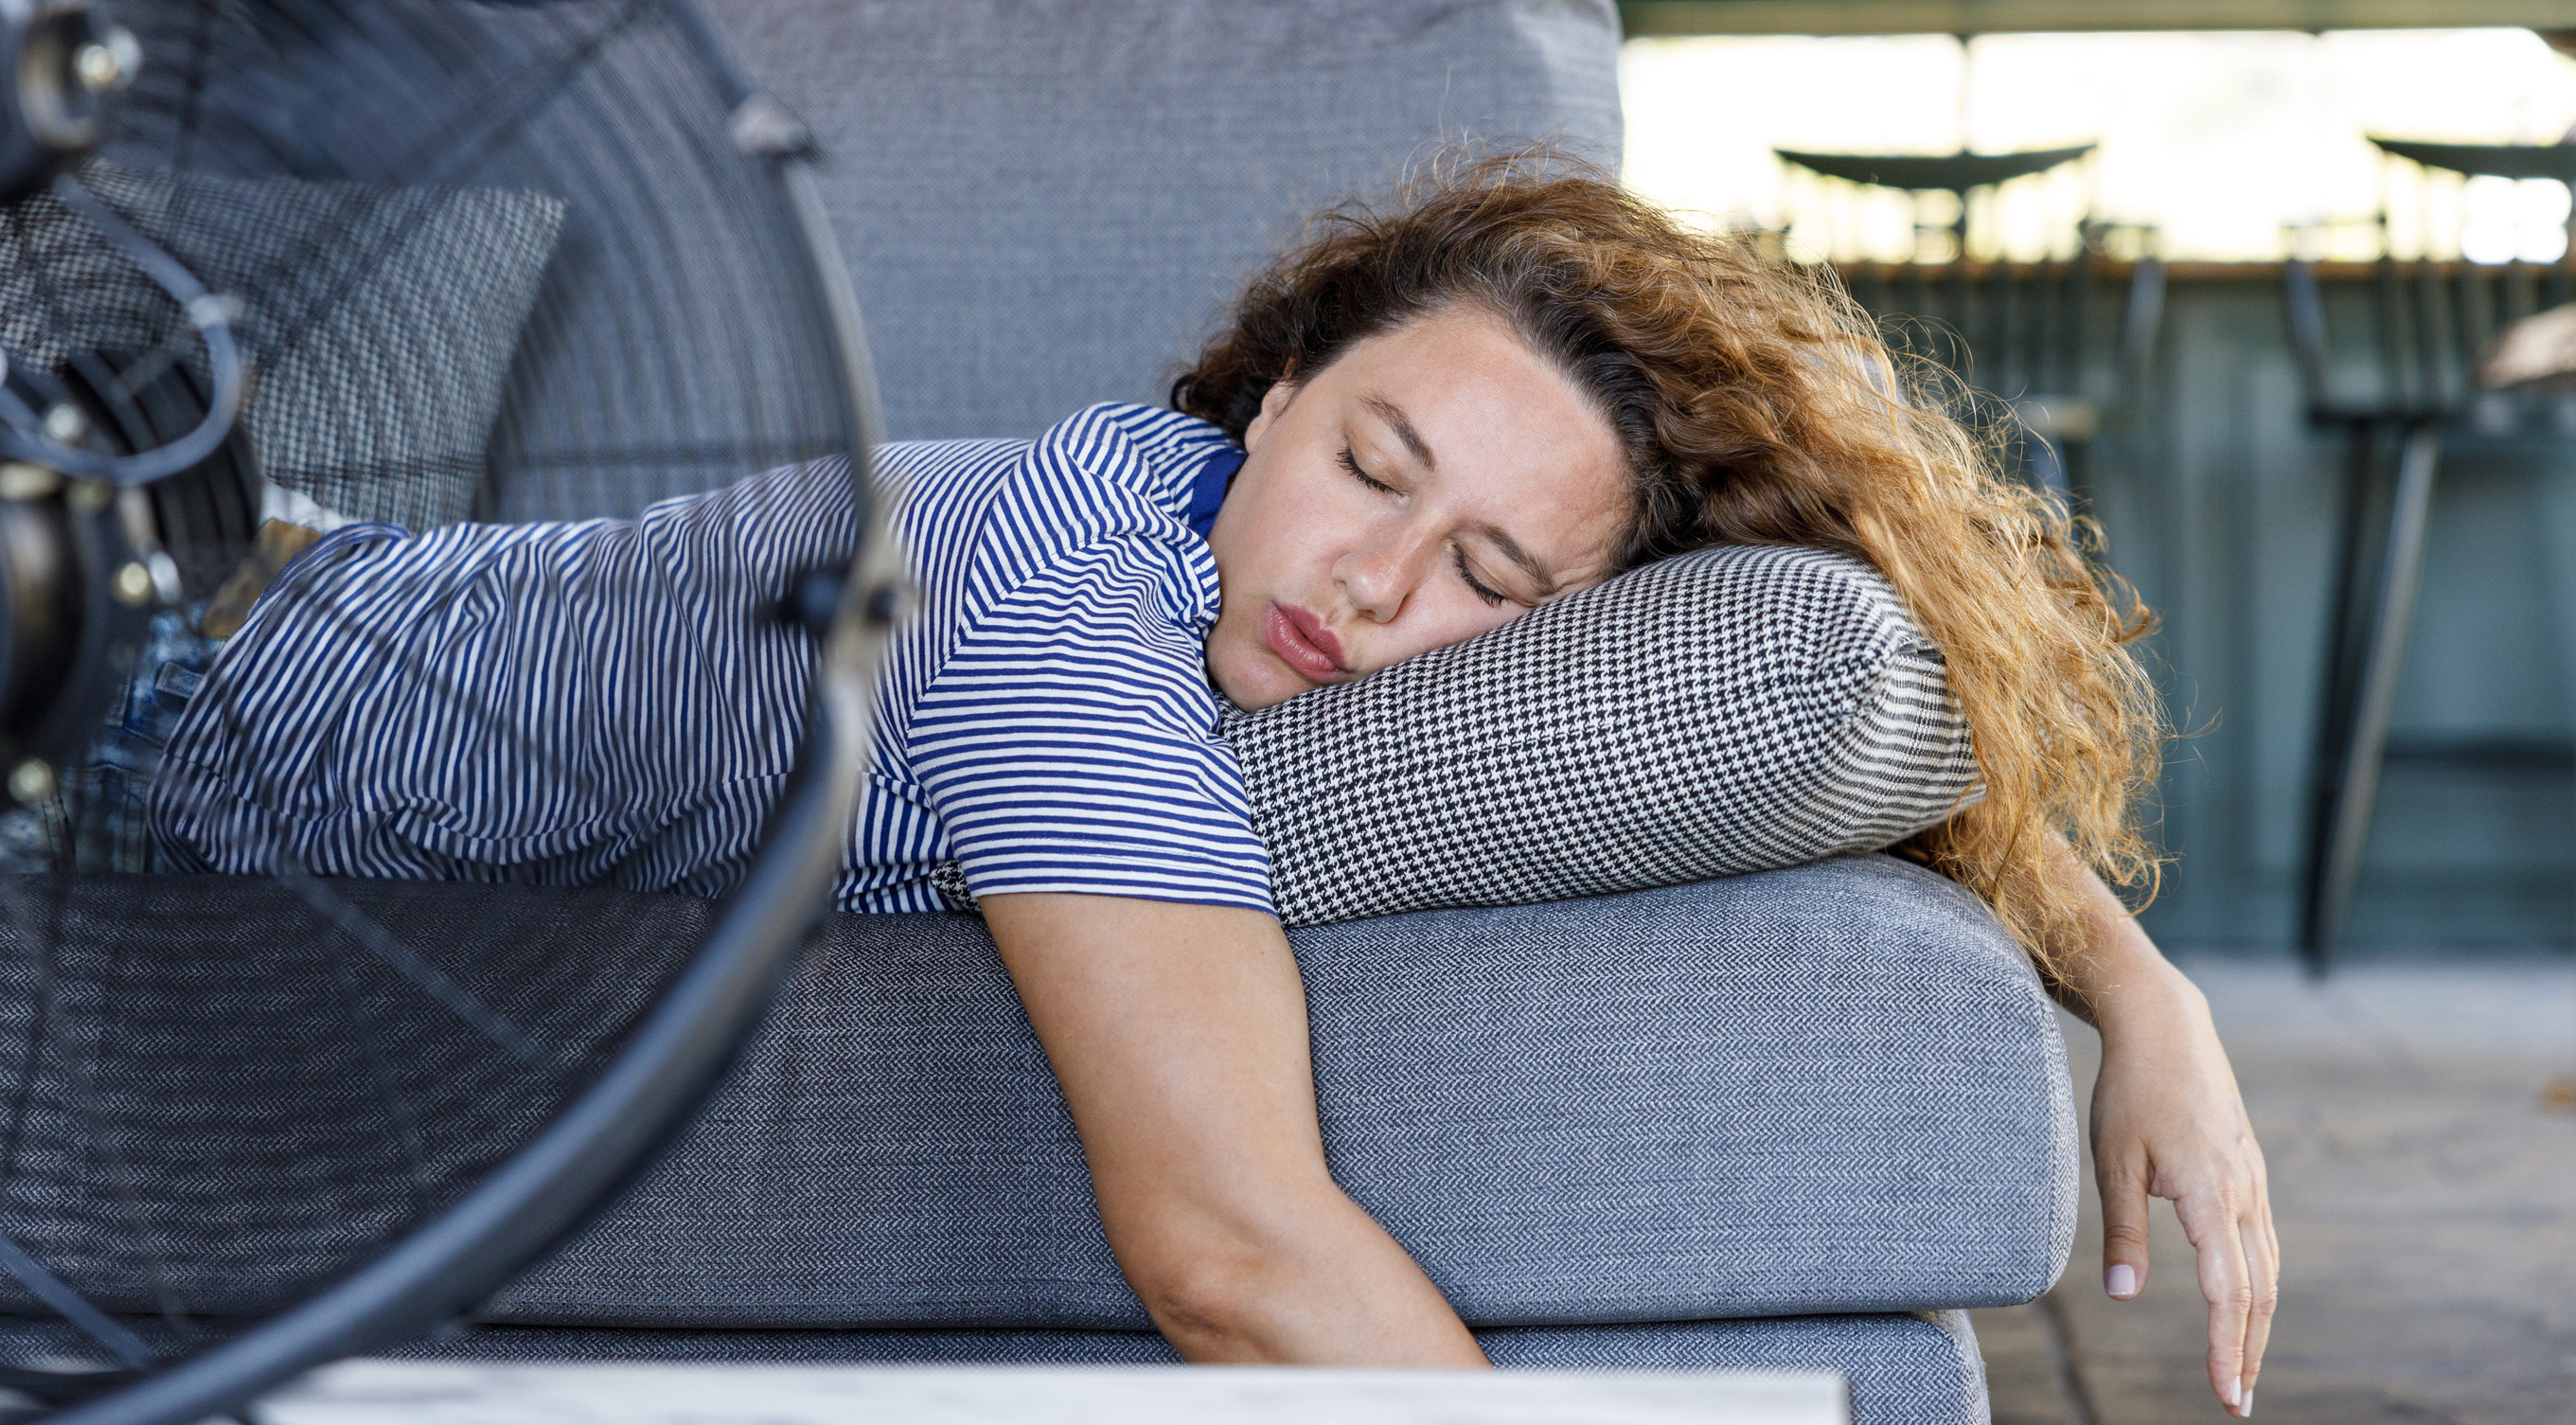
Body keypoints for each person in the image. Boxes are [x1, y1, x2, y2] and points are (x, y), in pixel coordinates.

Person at [151, 157, 2274, 1416]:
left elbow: (1796, 694)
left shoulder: (1214, 600)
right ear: (1262, 399)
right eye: (1369, 467)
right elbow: (1238, 1258)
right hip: (171, 679)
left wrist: (2132, 982)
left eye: (1489, 577)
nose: (1368, 588)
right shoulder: (1062, 615)